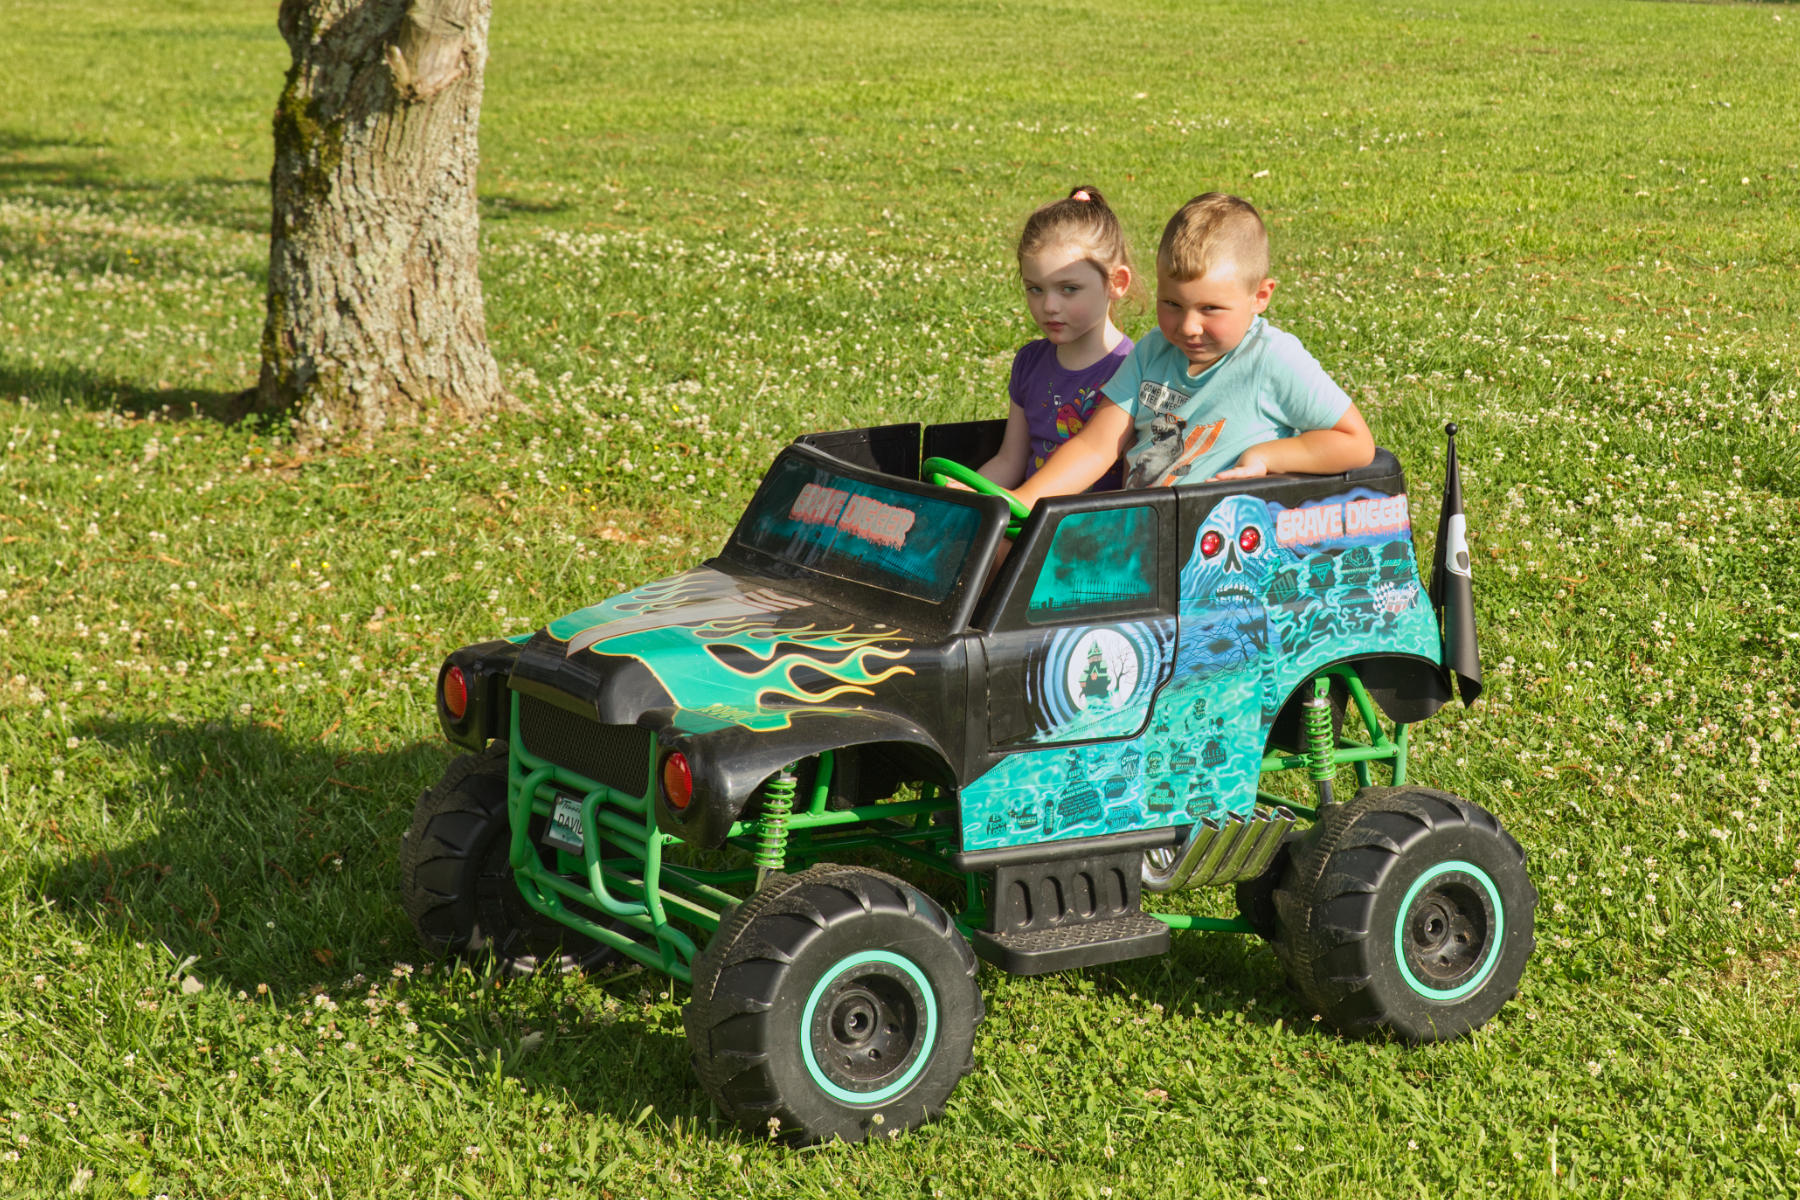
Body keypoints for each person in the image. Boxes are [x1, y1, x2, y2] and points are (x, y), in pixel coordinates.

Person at [1007, 192, 1373, 510]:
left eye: (1210, 309)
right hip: (1141, 540)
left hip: (1217, 560)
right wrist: (1023, 499)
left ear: (1260, 296)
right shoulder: (1152, 351)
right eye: (1171, 303)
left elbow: (1355, 442)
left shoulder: (1272, 359)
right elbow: (1096, 445)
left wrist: (1267, 457)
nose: (1187, 327)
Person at [972, 186, 1137, 491]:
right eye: (1035, 288)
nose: (1049, 306)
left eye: (1068, 289)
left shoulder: (1133, 369)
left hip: (1094, 530)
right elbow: (1010, 461)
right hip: (1029, 518)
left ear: (1116, 283)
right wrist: (964, 499)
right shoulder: (1030, 362)